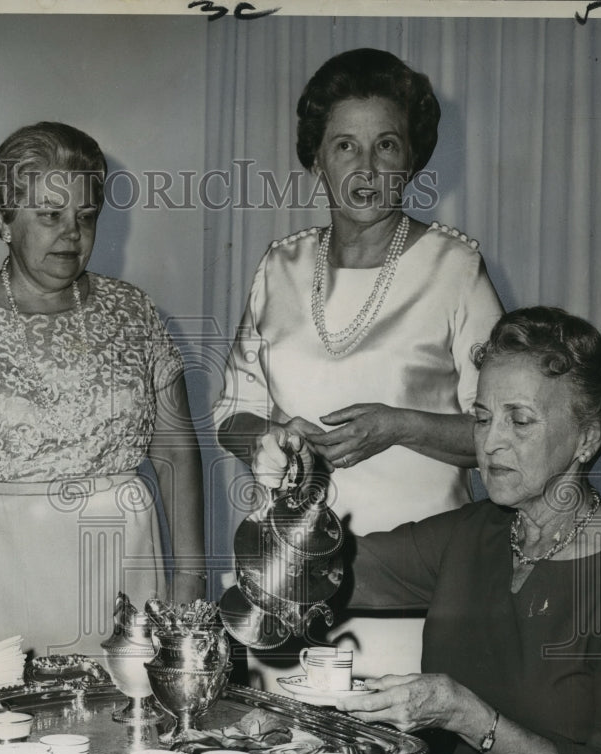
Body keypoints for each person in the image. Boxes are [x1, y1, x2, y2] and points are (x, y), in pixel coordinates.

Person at [213, 48, 503, 684]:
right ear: (316, 160)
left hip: (413, 593)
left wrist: (399, 426)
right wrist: (266, 436)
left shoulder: (454, 269)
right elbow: (230, 414)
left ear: (412, 159)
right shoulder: (278, 268)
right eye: (345, 146)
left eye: (387, 146)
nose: (366, 169)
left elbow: (504, 439)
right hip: (283, 587)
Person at [327, 307, 601, 754]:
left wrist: (467, 715)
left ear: (586, 439)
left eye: (520, 421)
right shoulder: (475, 531)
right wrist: (292, 489)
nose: (490, 444)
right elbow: (326, 573)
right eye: (483, 418)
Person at [0, 122, 206, 659]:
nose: (71, 233)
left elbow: (176, 451)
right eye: (50, 215)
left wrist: (191, 579)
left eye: (85, 217)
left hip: (123, 570)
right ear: (3, 220)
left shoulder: (133, 311)